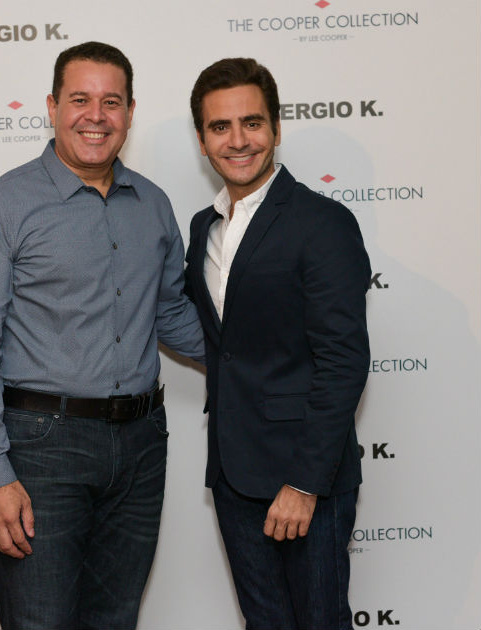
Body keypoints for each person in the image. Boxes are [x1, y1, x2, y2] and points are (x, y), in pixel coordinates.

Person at [0, 41, 204, 630]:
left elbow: (170, 313)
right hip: (40, 450)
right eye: (80, 99)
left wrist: (260, 360)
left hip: (141, 446)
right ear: (52, 107)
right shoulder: (0, 206)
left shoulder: (153, 205)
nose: (96, 116)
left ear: (130, 112)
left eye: (111, 102)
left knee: (115, 620)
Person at [184, 57, 370, 629]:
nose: (238, 141)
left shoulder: (322, 223)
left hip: (305, 476)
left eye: (252, 123)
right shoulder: (202, 227)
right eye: (220, 127)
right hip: (232, 473)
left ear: (276, 128)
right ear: (202, 140)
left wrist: (304, 483)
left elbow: (344, 361)